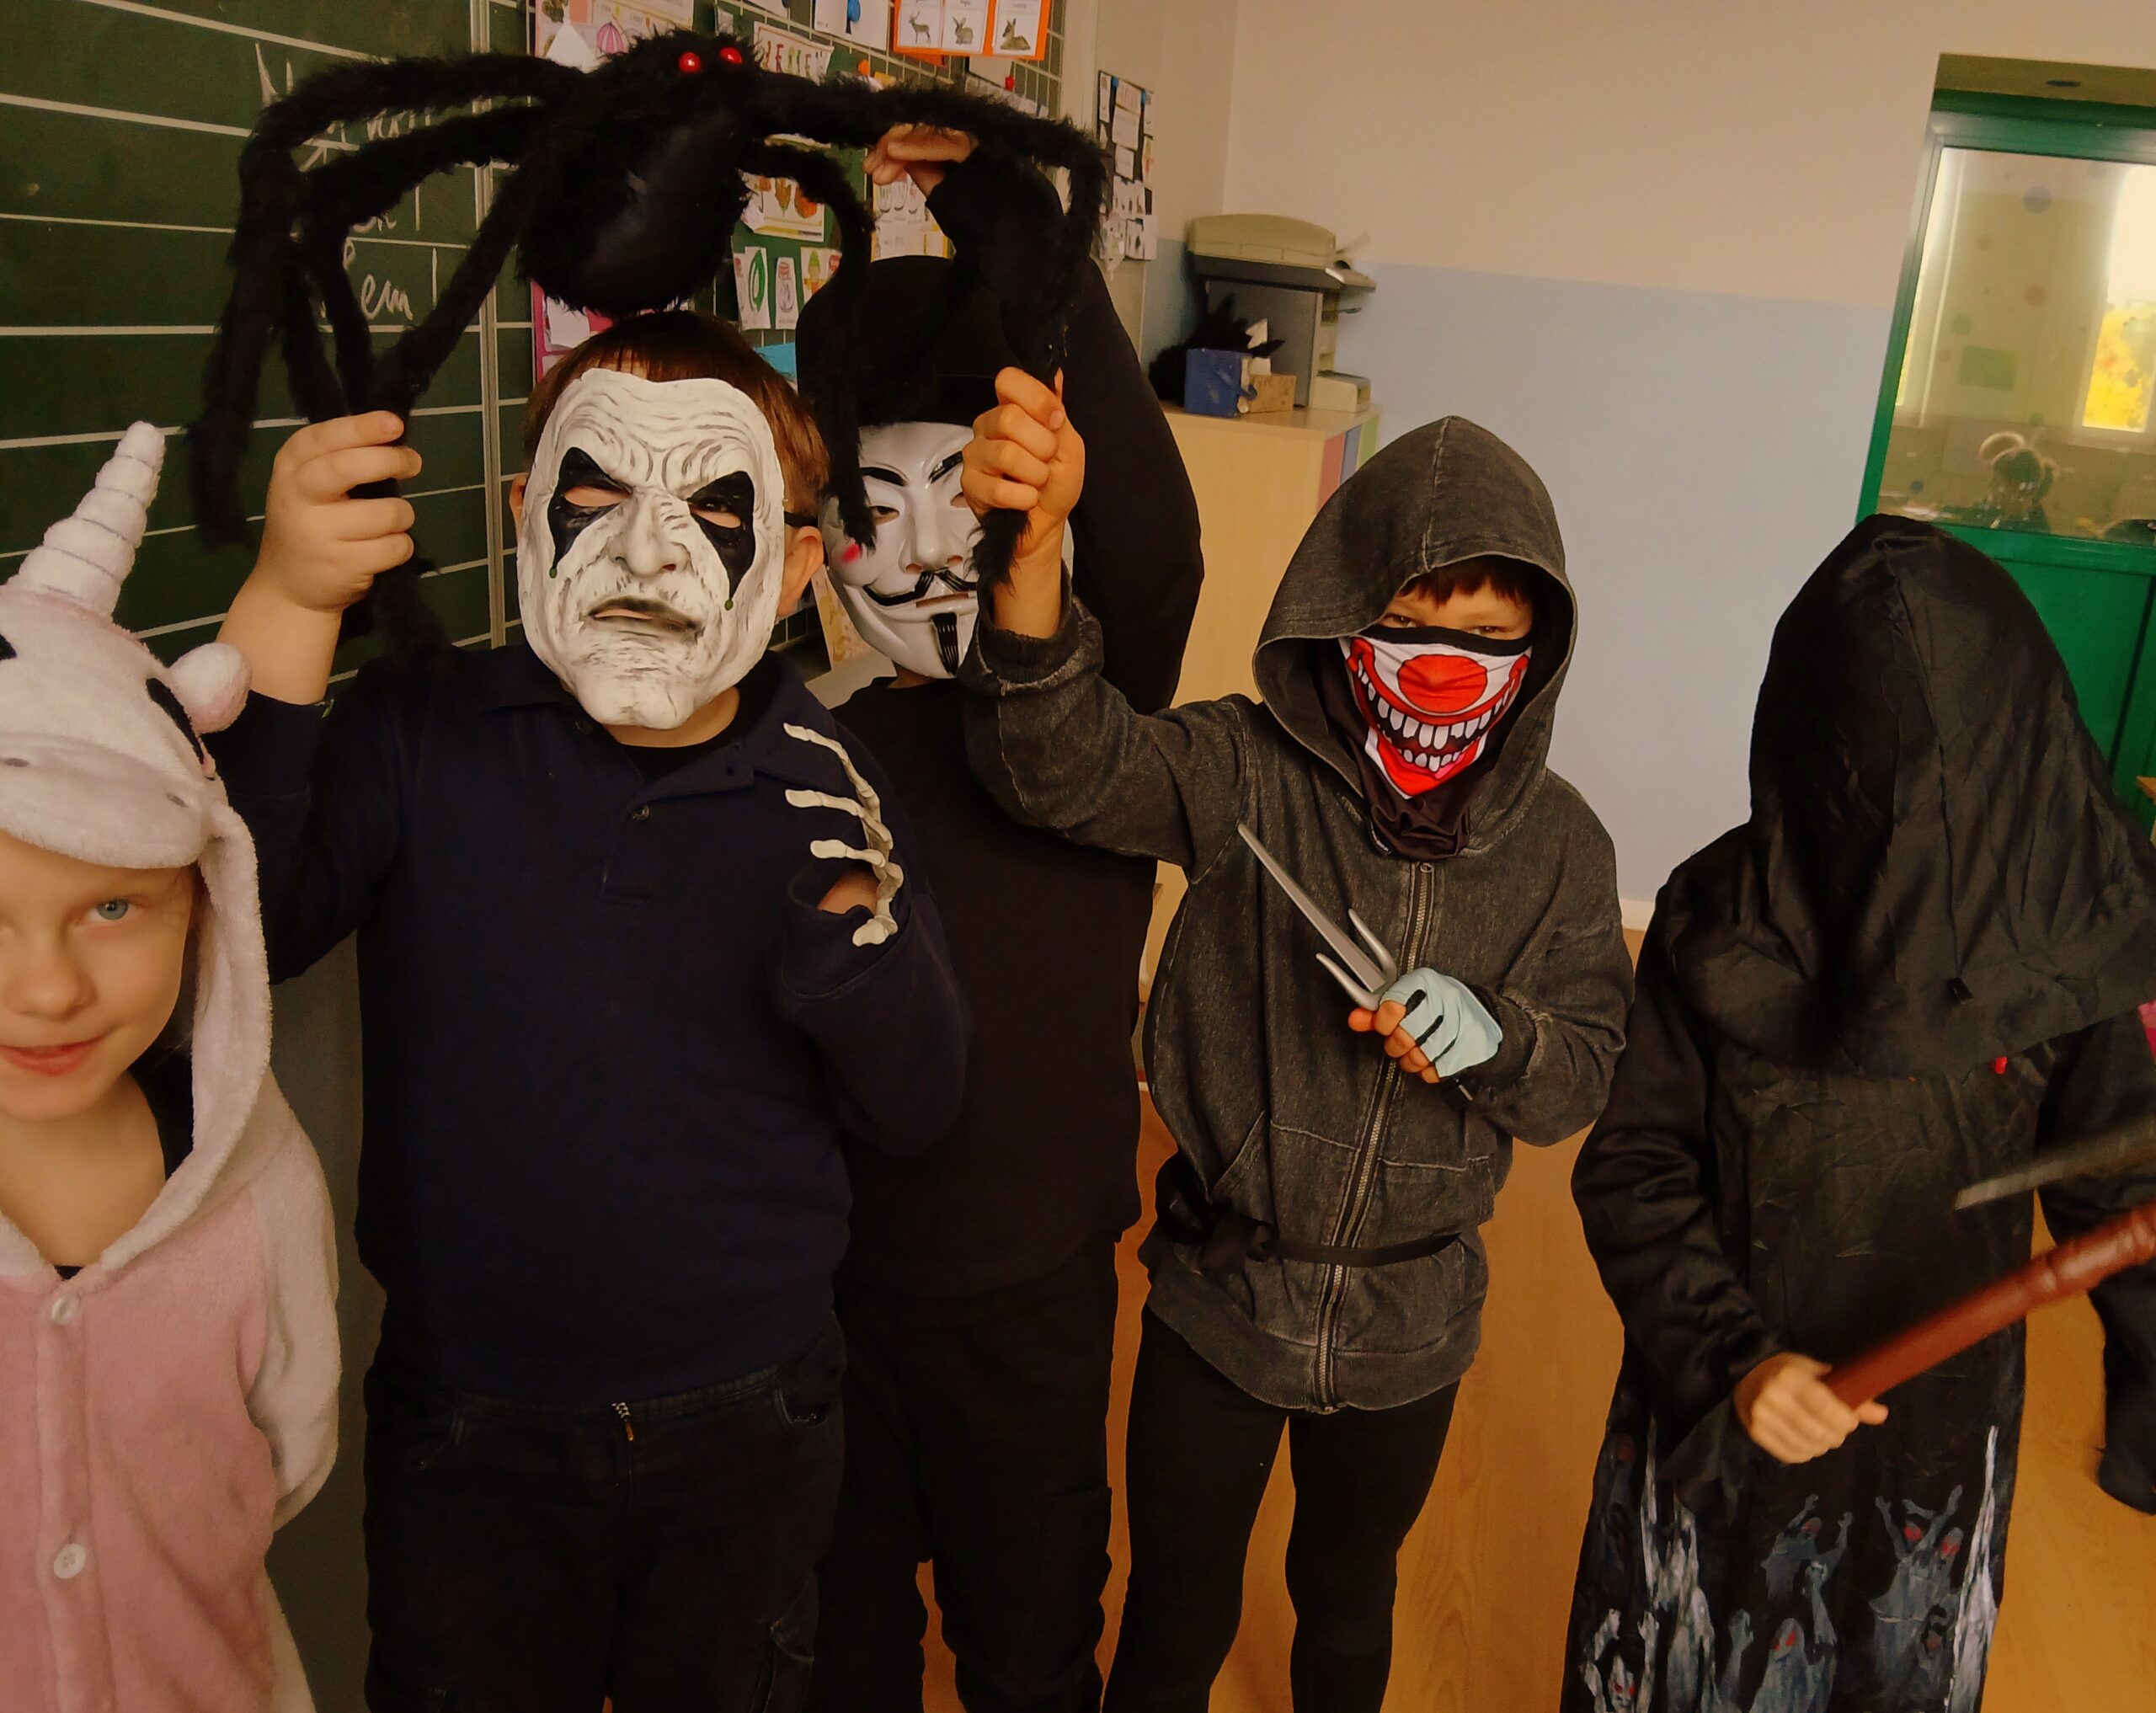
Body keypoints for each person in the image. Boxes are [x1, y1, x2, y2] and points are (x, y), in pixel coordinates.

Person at [205, 316, 970, 1712]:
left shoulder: (825, 788)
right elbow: (240, 933)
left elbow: (921, 1101)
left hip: (749, 1415)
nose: (647, 552)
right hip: (470, 1421)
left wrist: (856, 951)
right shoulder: (421, 730)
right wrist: (290, 599)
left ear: (798, 564)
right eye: (599, 492)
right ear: (525, 510)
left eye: (714, 509)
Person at [958, 392, 1632, 1712]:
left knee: (1349, 1595)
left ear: (1540, 649)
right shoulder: (1242, 765)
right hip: (1222, 1298)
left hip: (1414, 1324)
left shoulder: (1565, 847)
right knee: (1177, 1605)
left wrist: (1502, 1040)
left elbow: (1586, 1068)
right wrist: (1032, 564)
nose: (1444, 668)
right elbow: (1061, 767)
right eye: (1408, 628)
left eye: (1486, 638)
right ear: (1339, 617)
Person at [1564, 515, 2156, 1713]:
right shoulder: (1720, 919)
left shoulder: (2058, 932)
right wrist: (1732, 1362)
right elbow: (1634, 1163)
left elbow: (2120, 1184)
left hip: (1931, 1440)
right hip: (1729, 1400)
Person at [796, 129, 1202, 1713]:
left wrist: (1014, 231)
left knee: (1029, 1637)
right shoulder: (799, 737)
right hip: (827, 1284)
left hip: (1031, 1286)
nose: (919, 556)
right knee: (839, 1642)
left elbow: (1154, 542)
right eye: (876, 508)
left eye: (963, 501)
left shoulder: (1090, 718)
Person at [0, 424, 339, 1713]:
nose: (47, 989)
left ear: (202, 902)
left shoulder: (258, 1181)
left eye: (113, 908)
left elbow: (285, 1454)